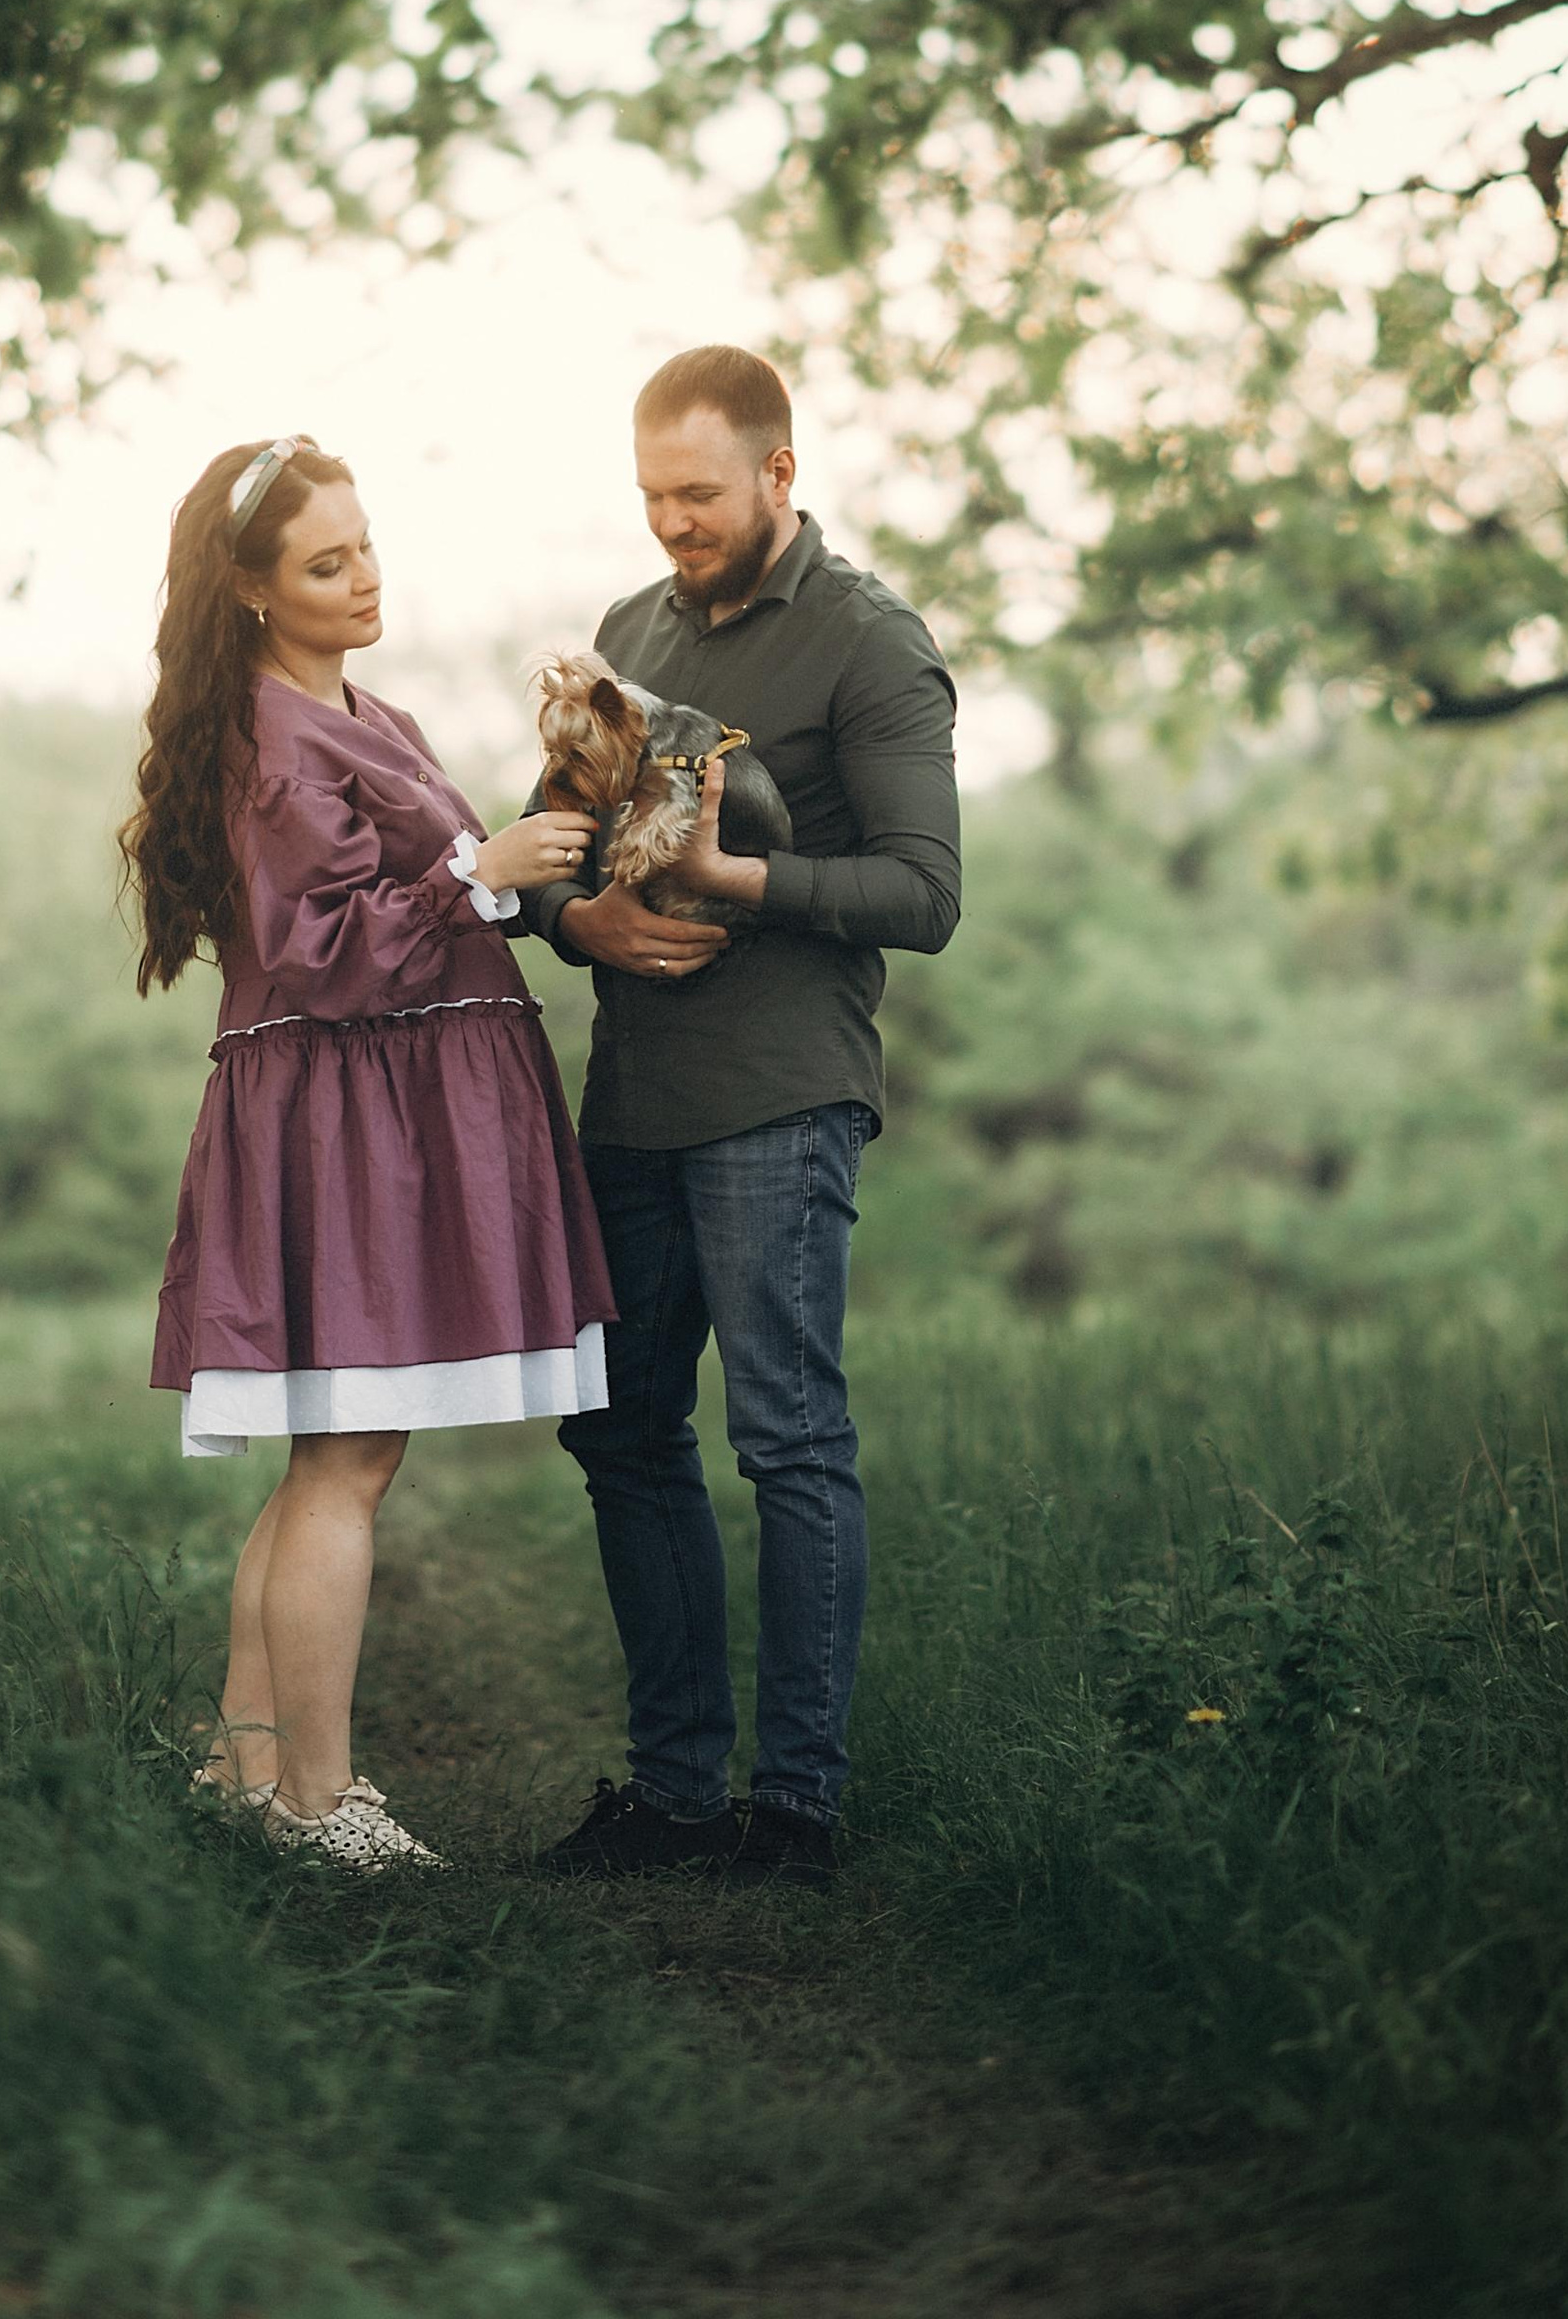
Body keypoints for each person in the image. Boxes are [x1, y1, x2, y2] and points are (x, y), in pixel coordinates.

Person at [125, 434, 606, 1871]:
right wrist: (483, 872)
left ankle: (242, 1764)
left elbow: (418, 898)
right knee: (347, 1456)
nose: (364, 576)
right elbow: (319, 953)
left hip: (388, 1110)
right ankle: (318, 1804)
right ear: (254, 591)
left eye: (368, 544)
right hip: (352, 1126)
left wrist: (520, 850)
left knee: (331, 1455)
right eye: (326, 563)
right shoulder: (273, 742)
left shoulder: (361, 710)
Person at [523, 347, 961, 1893]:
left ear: (780, 473)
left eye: (697, 493)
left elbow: (926, 894)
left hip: (782, 1096)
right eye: (650, 494)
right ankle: (673, 1795)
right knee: (623, 1432)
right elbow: (556, 851)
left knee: (787, 1441)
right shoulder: (629, 632)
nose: (670, 523)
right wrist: (577, 927)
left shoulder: (870, 643)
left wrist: (732, 885)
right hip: (631, 1097)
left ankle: (796, 1813)